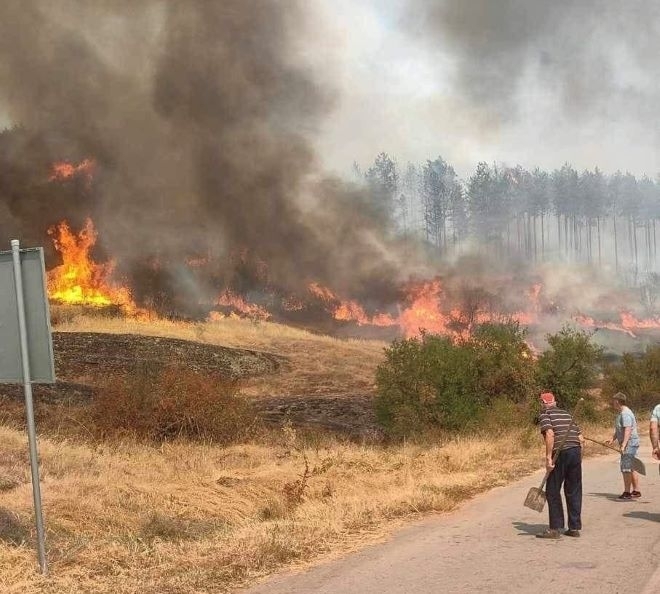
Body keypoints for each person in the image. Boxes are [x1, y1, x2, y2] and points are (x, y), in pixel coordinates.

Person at [536, 391, 584, 539]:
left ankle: (555, 528)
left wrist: (548, 458)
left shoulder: (545, 414)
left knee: (552, 490)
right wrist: (578, 458)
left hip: (561, 452)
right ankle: (574, 528)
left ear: (543, 403)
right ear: (554, 401)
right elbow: (581, 439)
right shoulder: (567, 414)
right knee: (574, 489)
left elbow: (550, 434)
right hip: (575, 451)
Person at [605, 392, 641, 499]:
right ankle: (636, 490)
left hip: (629, 443)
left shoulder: (625, 413)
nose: (612, 403)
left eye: (613, 401)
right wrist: (612, 439)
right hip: (629, 442)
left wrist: (624, 445)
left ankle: (627, 492)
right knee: (632, 466)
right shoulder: (622, 413)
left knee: (626, 468)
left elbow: (628, 430)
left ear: (617, 401)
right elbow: (620, 429)